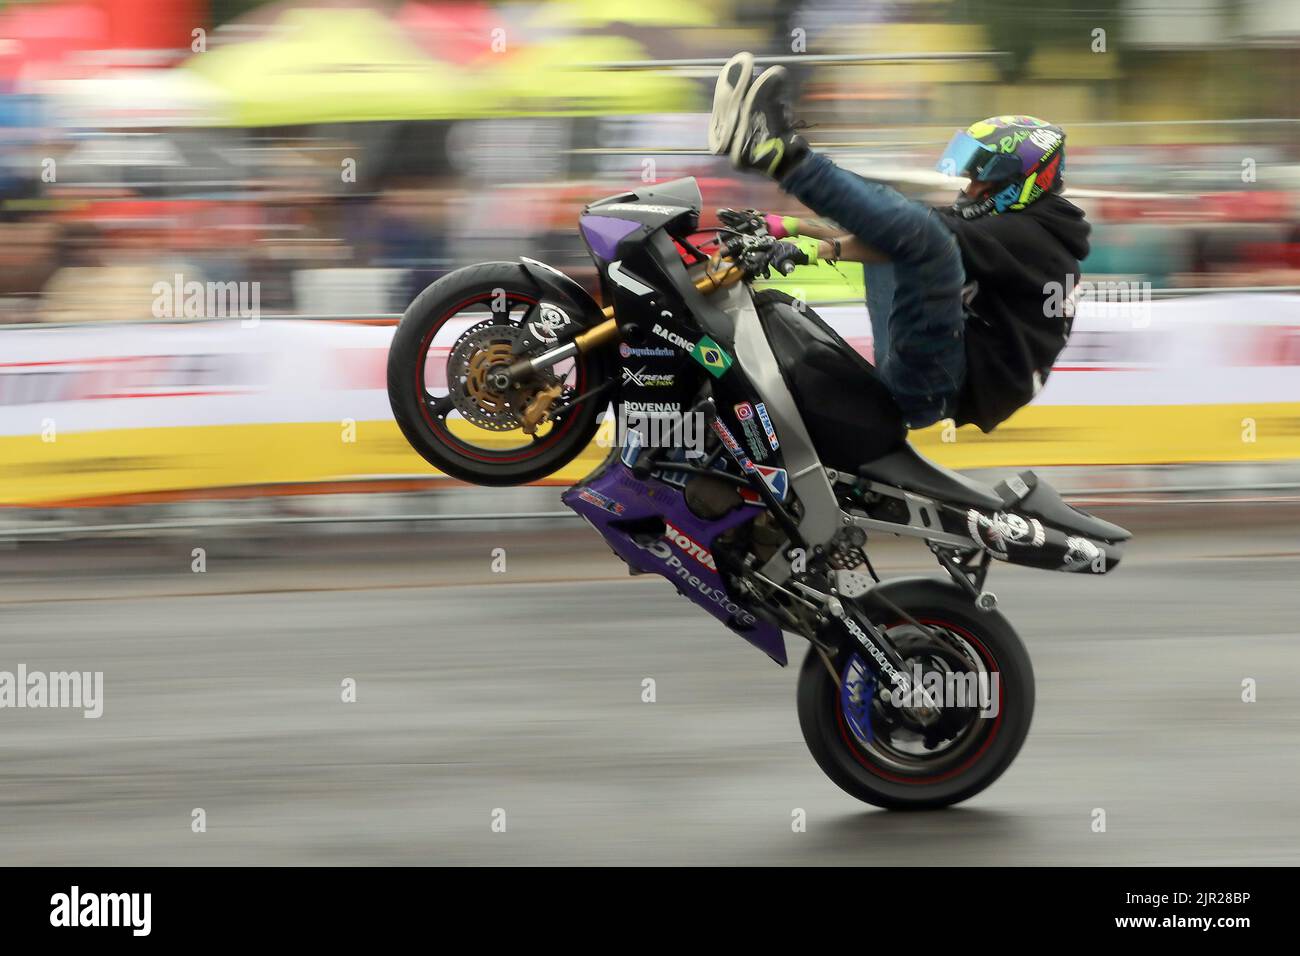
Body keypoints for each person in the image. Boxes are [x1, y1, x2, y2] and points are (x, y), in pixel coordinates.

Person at [708, 52, 1091, 433]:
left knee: (919, 232)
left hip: (939, 390)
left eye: (983, 182)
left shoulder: (1035, 240)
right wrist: (787, 226)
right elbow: (892, 232)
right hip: (923, 371)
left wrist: (814, 250)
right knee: (904, 225)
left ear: (1023, 181)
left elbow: (916, 236)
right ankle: (773, 152)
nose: (970, 188)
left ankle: (781, 156)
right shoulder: (1012, 226)